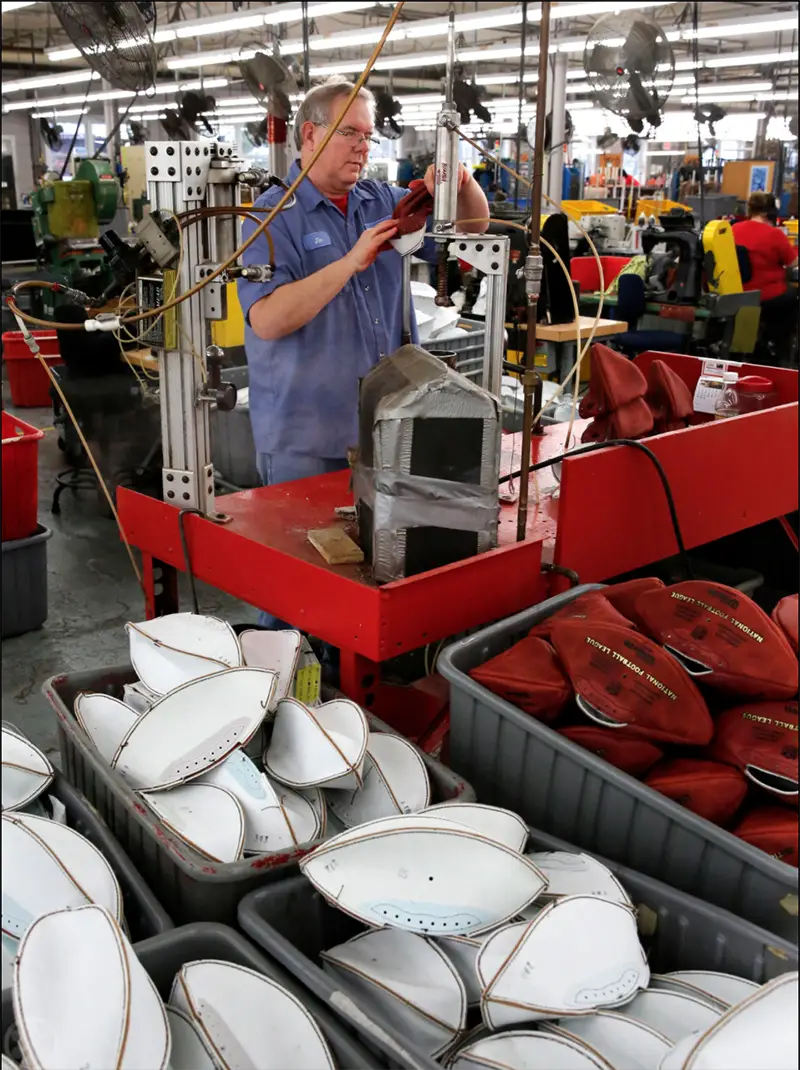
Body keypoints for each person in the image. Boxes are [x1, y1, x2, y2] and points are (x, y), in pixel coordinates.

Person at [237, 77, 490, 628]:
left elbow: (474, 226)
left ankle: (341, 681)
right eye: (350, 133)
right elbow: (266, 318)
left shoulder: (378, 200)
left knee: (370, 575)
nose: (362, 147)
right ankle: (283, 688)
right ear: (310, 134)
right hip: (305, 436)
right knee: (295, 585)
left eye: (369, 137)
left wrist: (458, 182)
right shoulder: (269, 217)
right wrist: (350, 261)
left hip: (386, 429)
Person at [733, 191, 798, 365]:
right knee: (792, 299)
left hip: (737, 294)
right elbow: (793, 262)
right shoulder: (774, 234)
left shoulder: (733, 229)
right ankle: (780, 352)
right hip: (767, 295)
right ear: (770, 212)